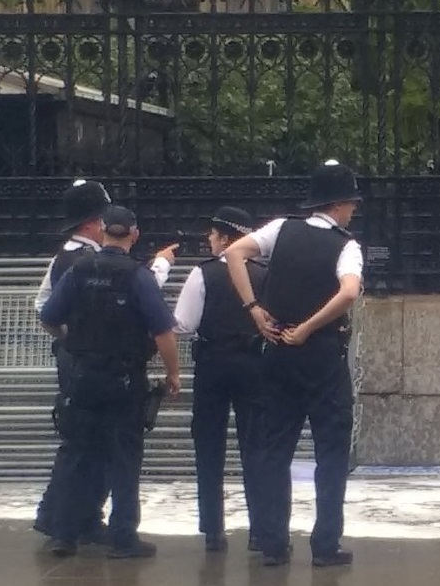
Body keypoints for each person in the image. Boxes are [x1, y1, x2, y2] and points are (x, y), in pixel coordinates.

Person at [222, 159, 363, 568]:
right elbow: (350, 292)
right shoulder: (346, 244)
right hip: (320, 353)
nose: (353, 210)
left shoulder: (281, 228)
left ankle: (272, 542)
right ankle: (325, 545)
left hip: (277, 349)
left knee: (273, 449)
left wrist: (253, 308)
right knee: (331, 453)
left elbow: (234, 253)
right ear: (337, 205)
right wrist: (310, 325)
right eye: (351, 203)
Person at [33, 180, 176, 543]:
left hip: (80, 368)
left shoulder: (71, 261)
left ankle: (65, 525)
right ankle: (113, 533)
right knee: (118, 451)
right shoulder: (99, 264)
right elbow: (158, 320)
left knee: (80, 445)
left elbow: (45, 310)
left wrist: (75, 342)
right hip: (119, 372)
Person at [173, 206, 268, 551]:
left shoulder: (204, 274)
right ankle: (261, 530)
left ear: (226, 238)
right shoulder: (263, 273)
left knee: (209, 446)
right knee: (256, 447)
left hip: (213, 365)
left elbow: (182, 324)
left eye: (213, 235)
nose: (209, 241)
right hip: (255, 365)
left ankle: (213, 530)